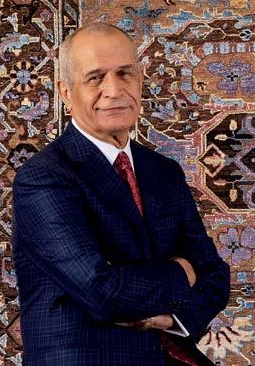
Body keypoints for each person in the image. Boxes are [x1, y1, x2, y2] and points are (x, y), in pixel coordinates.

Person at [12, 22, 230, 366]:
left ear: (140, 81)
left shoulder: (163, 171)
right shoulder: (44, 177)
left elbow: (215, 277)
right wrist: (181, 274)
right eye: (95, 78)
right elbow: (103, 291)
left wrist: (171, 319)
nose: (114, 90)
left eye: (125, 73)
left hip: (169, 355)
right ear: (66, 92)